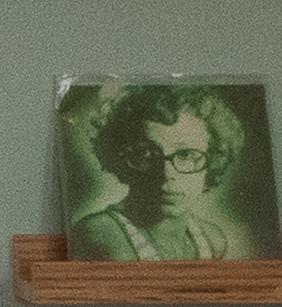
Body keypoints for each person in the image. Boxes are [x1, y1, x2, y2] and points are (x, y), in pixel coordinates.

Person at [72, 83, 262, 261]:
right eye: (146, 153)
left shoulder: (213, 240)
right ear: (122, 158)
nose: (166, 174)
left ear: (213, 160)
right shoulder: (99, 235)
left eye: (186, 155)